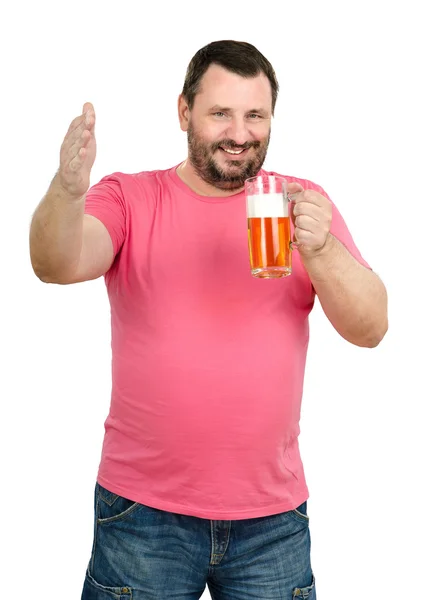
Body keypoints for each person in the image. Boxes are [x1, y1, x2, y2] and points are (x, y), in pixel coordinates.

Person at [29, 40, 388, 600]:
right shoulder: (129, 197)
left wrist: (322, 252)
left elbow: (371, 328)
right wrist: (67, 191)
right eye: (221, 112)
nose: (240, 133)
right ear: (184, 112)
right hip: (143, 516)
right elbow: (55, 264)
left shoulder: (302, 203)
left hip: (273, 521)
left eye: (256, 115)